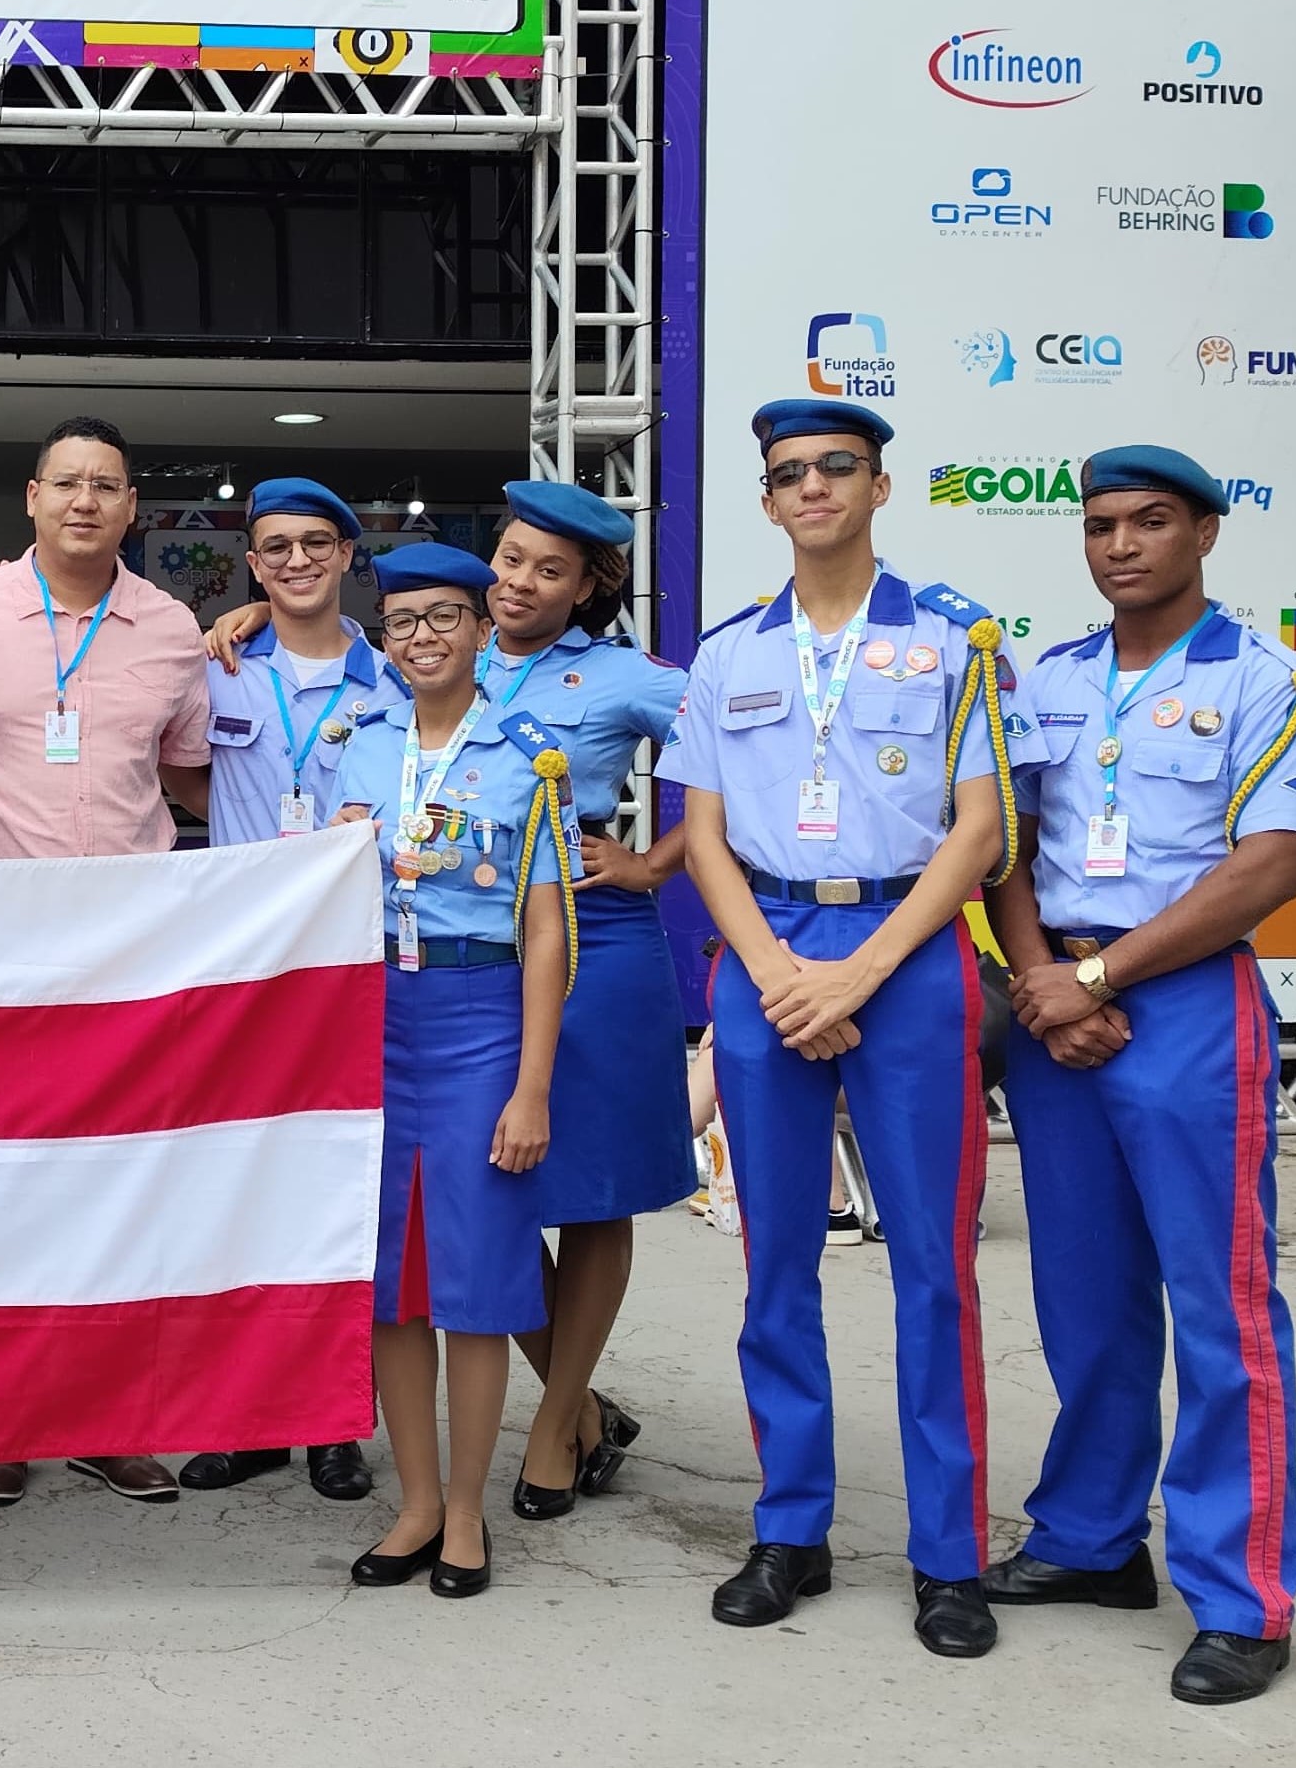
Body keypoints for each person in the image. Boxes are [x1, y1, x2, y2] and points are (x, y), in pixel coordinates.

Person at [661, 400, 1015, 1660]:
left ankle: (948, 1555)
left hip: (904, 958)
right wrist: (771, 972)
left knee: (933, 1267)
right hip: (763, 959)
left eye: (834, 467)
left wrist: (856, 972)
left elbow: (977, 829)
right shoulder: (725, 654)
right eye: (786, 474)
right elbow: (698, 832)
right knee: (775, 1266)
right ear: (765, 503)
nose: (809, 486)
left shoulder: (951, 640)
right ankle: (789, 1526)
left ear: (876, 486)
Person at [981, 446, 1296, 1705]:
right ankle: (1087, 1539)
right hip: (1053, 1000)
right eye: (1099, 524)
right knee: (1081, 1297)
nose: (1119, 543)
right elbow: (1003, 838)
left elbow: (1273, 860)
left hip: (1178, 1006)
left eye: (1149, 521)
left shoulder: (1261, 677)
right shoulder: (1052, 677)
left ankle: (1241, 1597)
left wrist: (1101, 977)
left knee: (1219, 1308)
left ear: (1202, 535)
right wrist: (1038, 979)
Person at [0, 415, 214, 1509]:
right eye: (66, 483)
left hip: (126, 951)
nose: (85, 501)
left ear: (132, 506)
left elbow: (193, 777)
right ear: (30, 497)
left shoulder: (174, 627)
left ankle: (106, 1418)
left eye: (107, 485)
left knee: (115, 1191)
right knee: (1, 1193)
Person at [326, 543, 572, 1601]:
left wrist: (530, 1084)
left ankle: (466, 1508)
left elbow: (548, 927)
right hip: (372, 1017)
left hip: (479, 1016)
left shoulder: (530, 755)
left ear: (481, 629)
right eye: (400, 622)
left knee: (474, 1282)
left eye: (441, 617)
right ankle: (414, 1499)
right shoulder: (357, 745)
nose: (419, 637)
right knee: (390, 1284)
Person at [473, 481, 694, 1518]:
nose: (517, 581)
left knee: (595, 1191)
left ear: (588, 585)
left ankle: (558, 1423)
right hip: (467, 947)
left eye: (545, 569)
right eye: (509, 558)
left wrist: (655, 861)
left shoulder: (620, 678)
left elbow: (756, 756)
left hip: (595, 942)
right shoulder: (444, 649)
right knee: (481, 1188)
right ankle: (590, 1406)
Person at [179, 478, 389, 1505]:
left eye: (315, 541)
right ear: (251, 566)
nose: (296, 559)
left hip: (347, 972)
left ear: (347, 552)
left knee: (334, 1196)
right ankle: (240, 1413)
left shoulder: (394, 680)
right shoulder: (214, 667)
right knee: (234, 1190)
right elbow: (179, 778)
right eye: (274, 547)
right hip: (236, 971)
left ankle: (332, 1420)